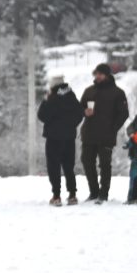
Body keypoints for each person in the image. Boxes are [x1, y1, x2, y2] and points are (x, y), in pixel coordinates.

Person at [79, 63, 129, 204]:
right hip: (89, 133)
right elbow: (80, 107)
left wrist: (113, 129)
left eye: (100, 74)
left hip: (106, 135)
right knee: (87, 161)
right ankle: (94, 192)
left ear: (107, 75)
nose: (97, 76)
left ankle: (103, 194)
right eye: (96, 74)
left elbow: (124, 113)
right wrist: (84, 111)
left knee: (105, 165)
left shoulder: (118, 93)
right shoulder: (89, 91)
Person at [37, 75, 84, 206]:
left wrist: (46, 100)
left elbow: (42, 115)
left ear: (52, 86)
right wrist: (71, 125)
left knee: (54, 167)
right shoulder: (71, 96)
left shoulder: (52, 98)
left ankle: (56, 196)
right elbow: (80, 114)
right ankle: (72, 195)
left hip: (53, 138)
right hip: (69, 137)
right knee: (69, 167)